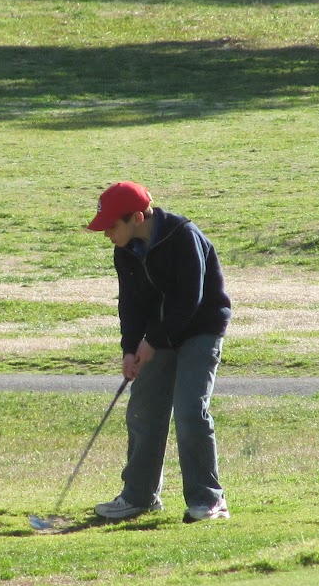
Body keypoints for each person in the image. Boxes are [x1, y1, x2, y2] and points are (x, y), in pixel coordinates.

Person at [87, 181, 232, 524]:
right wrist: (129, 348)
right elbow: (131, 304)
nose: (107, 234)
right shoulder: (124, 250)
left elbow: (189, 300)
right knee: (143, 410)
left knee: (189, 410)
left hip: (200, 329)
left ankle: (209, 500)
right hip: (158, 334)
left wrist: (153, 341)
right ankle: (139, 497)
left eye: (112, 226)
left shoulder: (183, 236)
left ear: (136, 217)